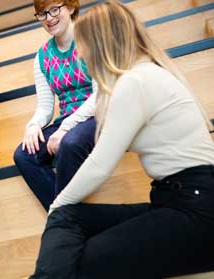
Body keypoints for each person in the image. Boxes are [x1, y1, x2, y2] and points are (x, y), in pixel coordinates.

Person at [32, 1, 214, 278]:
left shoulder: (136, 81)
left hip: (197, 210)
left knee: (77, 256)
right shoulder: (139, 76)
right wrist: (60, 209)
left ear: (100, 43)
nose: (79, 53)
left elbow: (100, 165)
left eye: (83, 44)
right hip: (175, 200)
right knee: (68, 219)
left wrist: (56, 204)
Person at [13, 0, 98, 211]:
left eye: (55, 9)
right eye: (42, 14)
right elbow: (45, 107)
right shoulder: (42, 56)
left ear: (70, 7)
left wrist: (66, 127)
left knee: (69, 142)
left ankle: (64, 221)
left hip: (99, 115)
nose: (49, 18)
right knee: (23, 154)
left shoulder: (91, 38)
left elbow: (101, 95)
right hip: (66, 122)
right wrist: (32, 126)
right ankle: (67, 216)